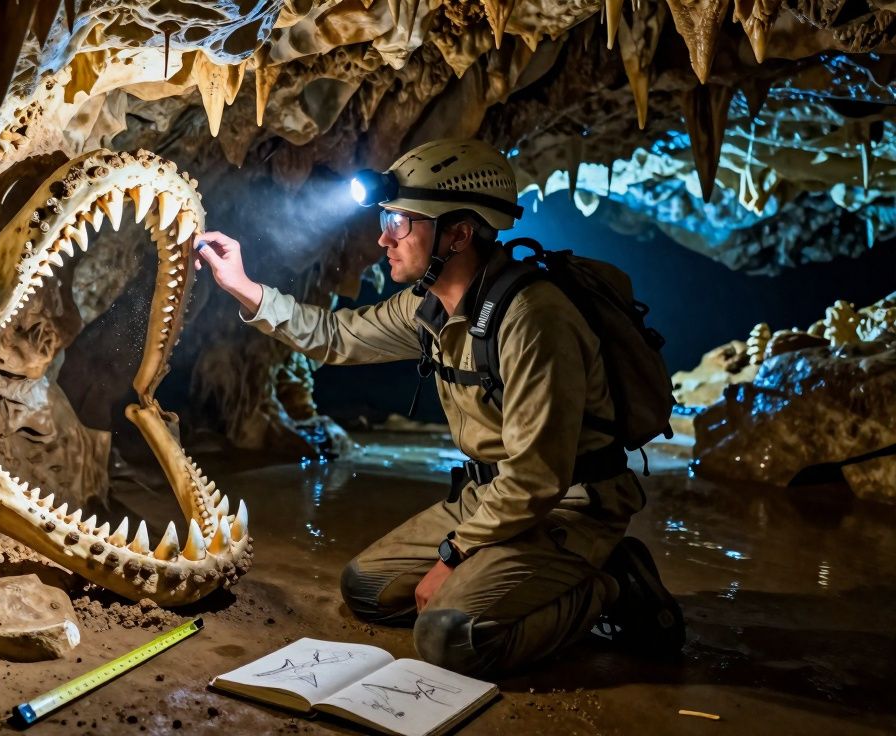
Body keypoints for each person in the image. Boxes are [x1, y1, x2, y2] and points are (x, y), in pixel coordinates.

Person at [193, 138, 684, 676]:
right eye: (385, 220)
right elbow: (336, 335)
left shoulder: (533, 319)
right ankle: (511, 580)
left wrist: (454, 555)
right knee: (367, 589)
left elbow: (536, 478)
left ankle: (611, 584)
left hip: (567, 507)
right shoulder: (430, 307)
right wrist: (243, 287)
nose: (384, 239)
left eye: (400, 223)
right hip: (489, 498)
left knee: (451, 639)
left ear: (459, 234)